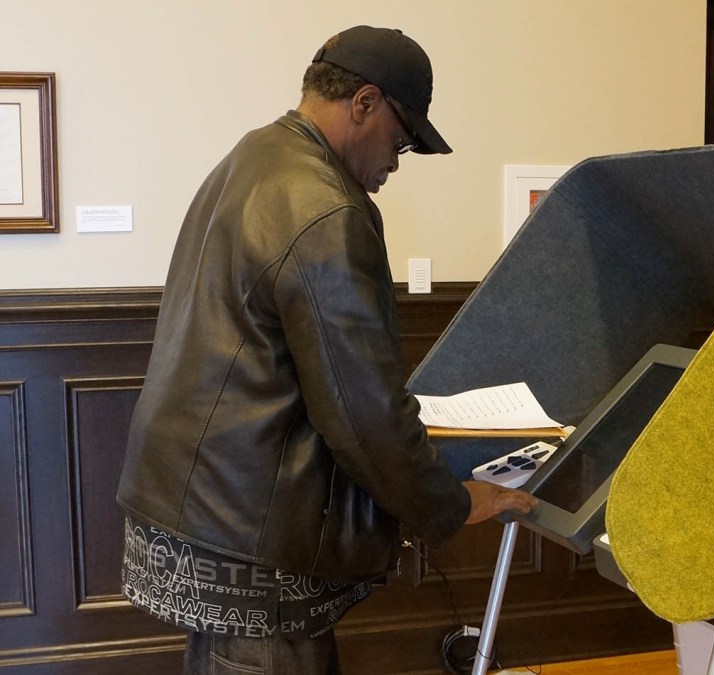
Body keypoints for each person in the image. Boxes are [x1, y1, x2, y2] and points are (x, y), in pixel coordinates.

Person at [116, 25, 537, 674]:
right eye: (398, 140)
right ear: (363, 102)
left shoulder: (251, 155)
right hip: (257, 534)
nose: (394, 163)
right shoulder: (328, 208)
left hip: (198, 507)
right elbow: (362, 413)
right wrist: (452, 505)